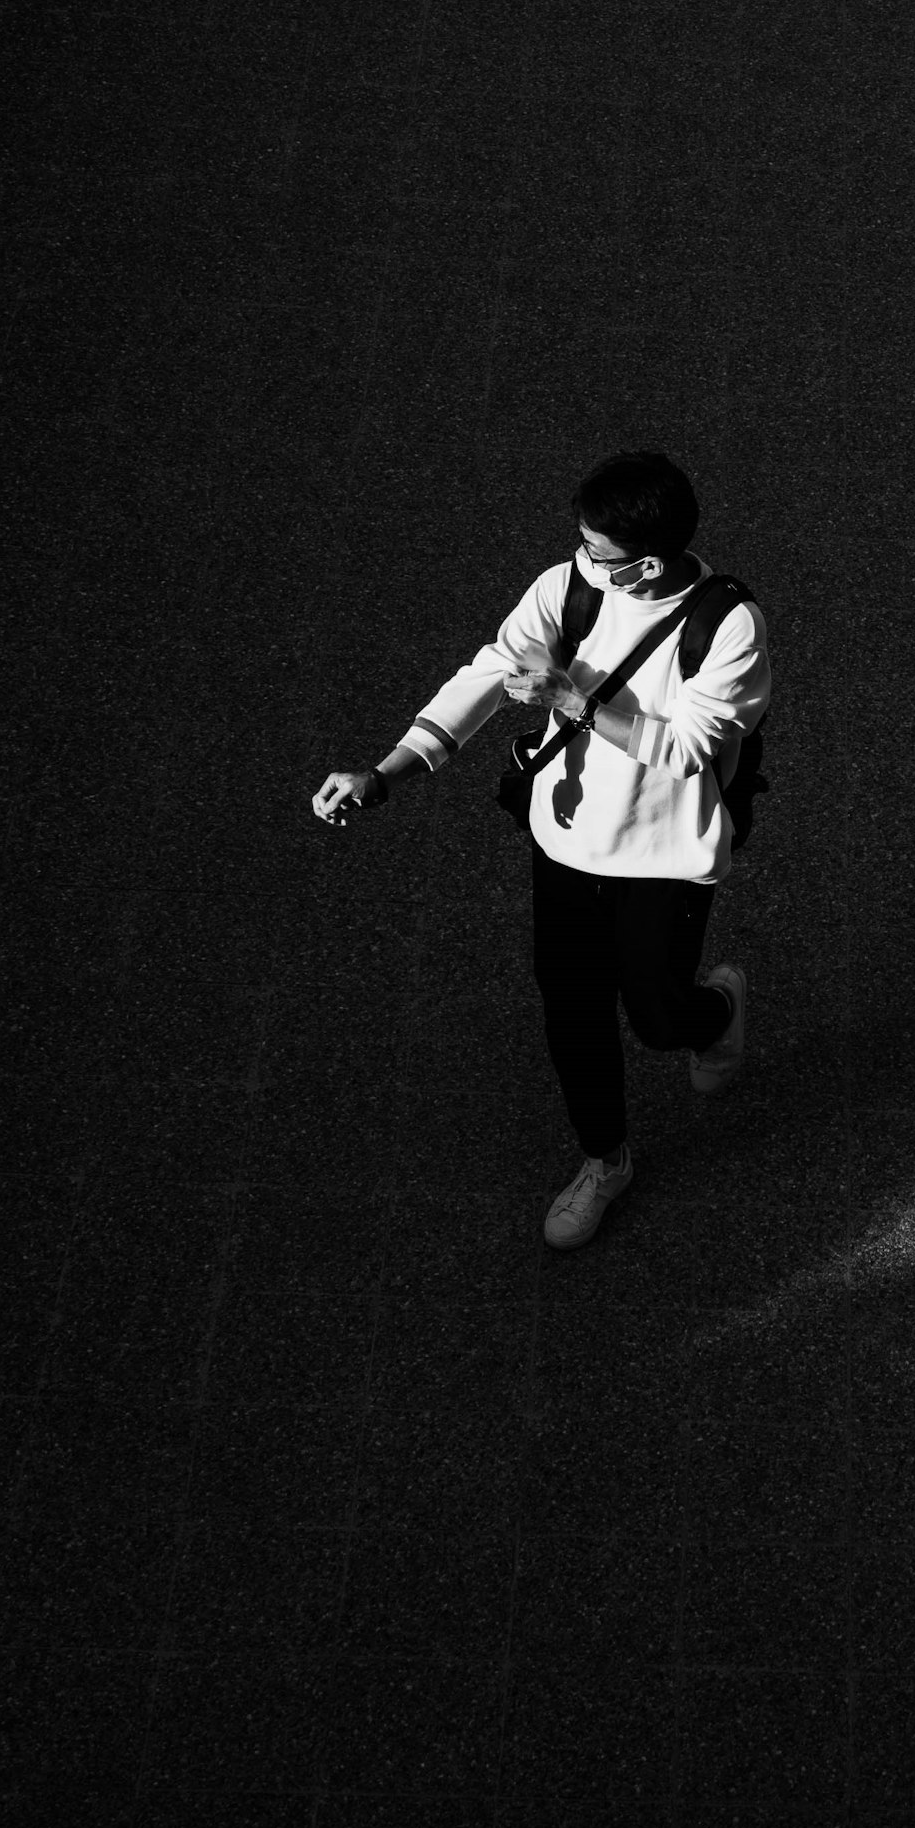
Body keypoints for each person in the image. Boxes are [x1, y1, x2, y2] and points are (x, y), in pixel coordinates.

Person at [310, 451, 773, 1251]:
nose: (581, 556)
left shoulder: (727, 625)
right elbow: (492, 668)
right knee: (573, 1010)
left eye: (597, 549)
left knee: (660, 1018)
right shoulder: (570, 585)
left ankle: (717, 1009)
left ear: (649, 565)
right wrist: (384, 774)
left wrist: (573, 700)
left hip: (667, 856)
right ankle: (605, 1161)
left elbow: (692, 749)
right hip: (564, 844)